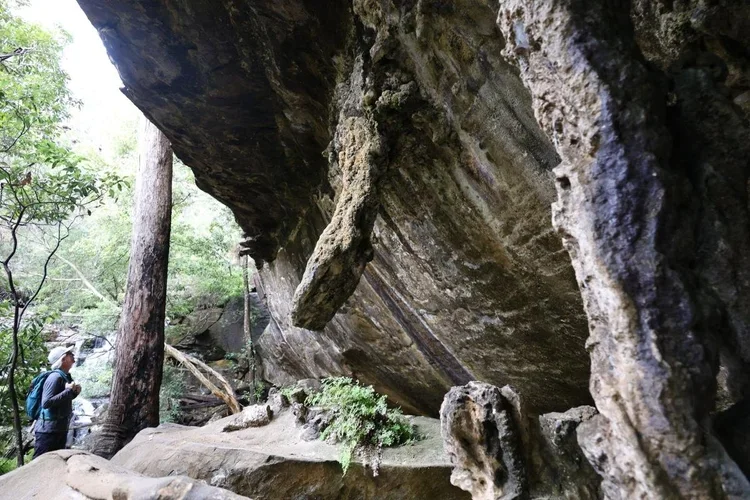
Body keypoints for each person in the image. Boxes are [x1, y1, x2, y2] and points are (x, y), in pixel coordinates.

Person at [32, 345, 81, 459]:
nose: (72, 355)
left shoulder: (65, 376)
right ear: (63, 359)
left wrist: (74, 393)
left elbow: (61, 400)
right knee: (40, 464)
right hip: (48, 431)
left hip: (58, 428)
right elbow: (46, 403)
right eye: (69, 354)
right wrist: (68, 390)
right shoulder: (55, 377)